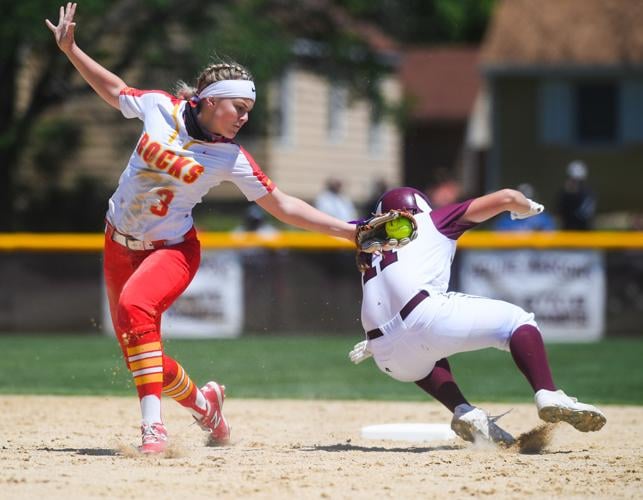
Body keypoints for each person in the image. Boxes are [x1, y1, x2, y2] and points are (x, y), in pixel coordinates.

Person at [47, 3, 356, 454]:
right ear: (210, 101)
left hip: (171, 248)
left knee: (136, 309)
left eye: (248, 109)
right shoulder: (159, 108)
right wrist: (72, 49)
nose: (244, 117)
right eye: (238, 107)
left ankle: (153, 429)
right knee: (138, 347)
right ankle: (205, 404)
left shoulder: (230, 157)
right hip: (117, 242)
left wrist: (349, 232)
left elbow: (283, 205)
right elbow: (114, 90)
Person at [349, 187, 606, 445]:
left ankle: (464, 411)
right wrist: (526, 208)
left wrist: (383, 338)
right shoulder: (430, 220)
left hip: (385, 356)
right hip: (423, 317)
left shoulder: (366, 239)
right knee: (519, 322)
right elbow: (507, 198)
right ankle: (548, 392)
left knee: (426, 351)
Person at [558, 160, 596, 230]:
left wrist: (574, 195)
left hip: (583, 232)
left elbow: (585, 215)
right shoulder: (563, 193)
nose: (573, 182)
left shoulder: (588, 194)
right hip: (567, 231)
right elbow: (560, 213)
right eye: (571, 179)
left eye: (576, 180)